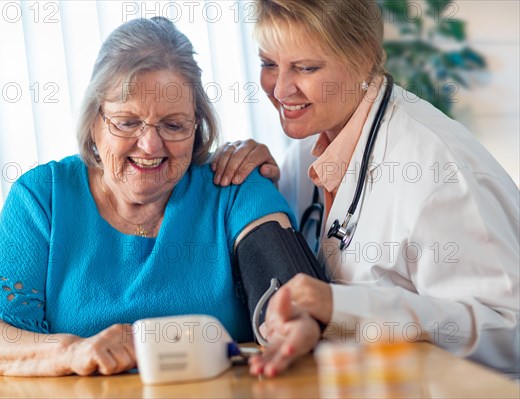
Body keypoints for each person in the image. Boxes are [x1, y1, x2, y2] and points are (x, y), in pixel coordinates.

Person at [0, 17, 295, 377]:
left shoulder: (233, 185)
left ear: (198, 129)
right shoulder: (44, 196)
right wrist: (71, 352)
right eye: (127, 122)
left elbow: (289, 300)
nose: (150, 145)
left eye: (174, 125)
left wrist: (291, 326)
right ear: (94, 123)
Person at [212, 0, 520, 378]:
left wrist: (342, 308)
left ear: (364, 57)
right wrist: (261, 184)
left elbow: (508, 333)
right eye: (268, 64)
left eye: (306, 67)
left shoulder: (436, 168)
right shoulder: (301, 158)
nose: (280, 88)